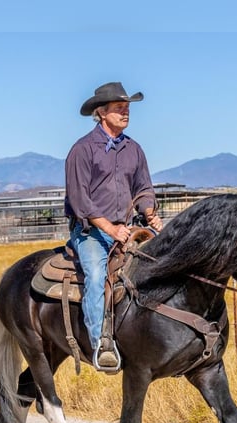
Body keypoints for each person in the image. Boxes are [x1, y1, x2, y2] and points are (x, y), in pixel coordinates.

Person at [65, 81, 163, 370]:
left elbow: (144, 187)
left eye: (127, 108)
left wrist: (149, 212)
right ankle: (100, 345)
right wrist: (110, 229)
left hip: (127, 228)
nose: (125, 113)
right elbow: (80, 199)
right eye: (119, 108)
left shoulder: (134, 149)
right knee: (96, 277)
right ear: (101, 112)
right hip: (91, 232)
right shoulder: (82, 150)